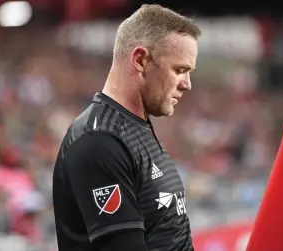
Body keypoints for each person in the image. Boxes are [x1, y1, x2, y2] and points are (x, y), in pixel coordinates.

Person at [52, 4, 201, 251]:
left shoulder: (136, 128)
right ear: (141, 60)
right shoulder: (99, 141)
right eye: (180, 70)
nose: (187, 84)